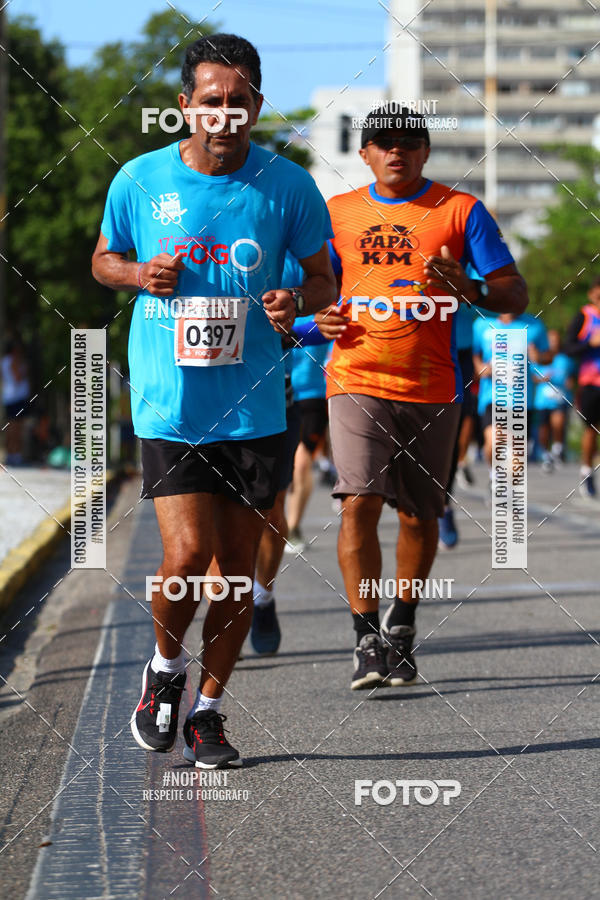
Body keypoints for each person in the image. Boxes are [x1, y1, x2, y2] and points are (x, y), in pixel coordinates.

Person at [92, 34, 335, 767]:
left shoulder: (289, 186)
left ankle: (207, 711)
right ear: (185, 106)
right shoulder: (139, 178)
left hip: (256, 405)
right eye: (210, 101)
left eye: (238, 101)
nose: (224, 114)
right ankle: (164, 669)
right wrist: (139, 275)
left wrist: (297, 299)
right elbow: (103, 261)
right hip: (170, 403)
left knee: (234, 571)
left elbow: (325, 280)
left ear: (256, 105)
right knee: (188, 555)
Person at [315, 105, 528, 690]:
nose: (397, 151)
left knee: (419, 515)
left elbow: (514, 294)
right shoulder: (337, 213)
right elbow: (312, 292)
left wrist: (471, 287)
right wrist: (311, 320)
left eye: (409, 142)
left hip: (434, 386)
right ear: (364, 153)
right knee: (358, 501)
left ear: (426, 151)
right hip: (356, 377)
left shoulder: (461, 211)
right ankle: (365, 639)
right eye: (383, 143)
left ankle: (402, 625)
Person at [472, 310, 550, 480]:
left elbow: (548, 355)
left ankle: (505, 485)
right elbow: (474, 353)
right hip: (492, 396)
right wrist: (480, 368)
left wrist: (539, 356)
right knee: (494, 441)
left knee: (516, 464)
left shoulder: (534, 325)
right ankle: (495, 476)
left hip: (521, 400)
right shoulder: (482, 324)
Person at [564, 276, 600, 498]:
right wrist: (590, 343)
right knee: (591, 429)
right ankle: (587, 472)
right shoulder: (584, 316)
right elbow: (568, 347)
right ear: (591, 294)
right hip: (590, 383)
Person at [533, 329, 575, 472]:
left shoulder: (565, 359)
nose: (553, 343)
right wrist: (542, 379)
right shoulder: (540, 357)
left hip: (560, 397)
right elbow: (532, 376)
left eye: (556, 340)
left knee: (559, 423)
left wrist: (570, 381)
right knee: (543, 428)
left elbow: (572, 375)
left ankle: (557, 450)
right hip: (542, 399)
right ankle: (545, 454)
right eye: (551, 340)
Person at [2, 336, 31, 466]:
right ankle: (15, 454)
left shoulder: (4, 361)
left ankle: (11, 454)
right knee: (15, 427)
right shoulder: (13, 360)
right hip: (16, 398)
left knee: (11, 426)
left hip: (10, 398)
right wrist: (25, 370)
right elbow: (17, 377)